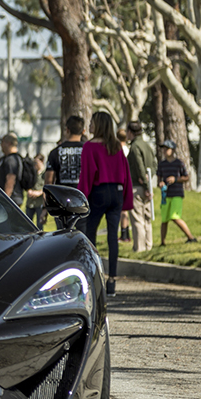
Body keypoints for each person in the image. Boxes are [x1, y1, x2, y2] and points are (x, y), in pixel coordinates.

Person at [78, 111, 134, 297]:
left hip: (99, 192)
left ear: (98, 125)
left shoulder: (89, 147)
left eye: (92, 122)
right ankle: (112, 281)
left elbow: (87, 175)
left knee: (90, 233)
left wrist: (81, 198)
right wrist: (126, 198)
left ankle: (94, 277)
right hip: (116, 193)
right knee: (112, 237)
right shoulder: (116, 146)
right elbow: (125, 173)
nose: (90, 126)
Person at [45, 115, 86, 230]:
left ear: (67, 130)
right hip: (83, 199)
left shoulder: (56, 152)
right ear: (83, 131)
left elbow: (48, 181)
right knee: (83, 235)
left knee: (63, 234)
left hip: (62, 201)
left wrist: (45, 206)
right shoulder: (87, 150)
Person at [157, 139, 197, 246]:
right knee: (164, 219)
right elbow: (159, 179)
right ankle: (162, 242)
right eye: (163, 149)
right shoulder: (161, 164)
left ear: (173, 150)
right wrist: (161, 183)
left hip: (177, 194)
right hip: (165, 195)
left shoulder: (179, 163)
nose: (164, 151)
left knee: (174, 216)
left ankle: (191, 237)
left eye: (167, 149)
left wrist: (175, 179)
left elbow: (186, 177)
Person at [125, 121, 156, 252]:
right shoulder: (147, 146)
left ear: (130, 132)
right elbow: (154, 165)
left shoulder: (134, 147)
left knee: (138, 219)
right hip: (147, 186)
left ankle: (140, 248)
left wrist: (144, 182)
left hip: (137, 187)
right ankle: (149, 246)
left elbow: (139, 166)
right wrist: (149, 182)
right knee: (147, 219)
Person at [0, 132, 24, 206]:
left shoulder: (12, 159)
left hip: (11, 200)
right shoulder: (7, 158)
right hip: (9, 199)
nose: (1, 145)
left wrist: (6, 200)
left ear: (8, 143)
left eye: (2, 142)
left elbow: (10, 180)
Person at [23, 153, 48, 230]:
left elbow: (47, 186)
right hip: (30, 202)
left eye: (36, 162)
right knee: (27, 223)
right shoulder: (32, 172)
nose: (35, 165)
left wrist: (39, 193)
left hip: (39, 203)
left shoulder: (45, 173)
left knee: (39, 225)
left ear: (42, 161)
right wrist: (29, 190)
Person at [116, 128, 131, 242]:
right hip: (128, 181)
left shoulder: (120, 150)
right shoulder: (128, 149)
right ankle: (126, 233)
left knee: (122, 210)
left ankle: (124, 234)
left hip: (121, 181)